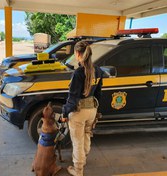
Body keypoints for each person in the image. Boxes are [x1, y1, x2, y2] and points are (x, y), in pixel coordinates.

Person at [61, 41, 103, 176]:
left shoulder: (78, 73)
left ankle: (78, 170)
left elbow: (73, 99)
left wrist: (64, 112)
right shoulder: (98, 70)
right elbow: (98, 93)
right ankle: (83, 158)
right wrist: (97, 111)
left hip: (79, 112)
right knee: (86, 134)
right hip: (92, 110)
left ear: (77, 53)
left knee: (77, 141)